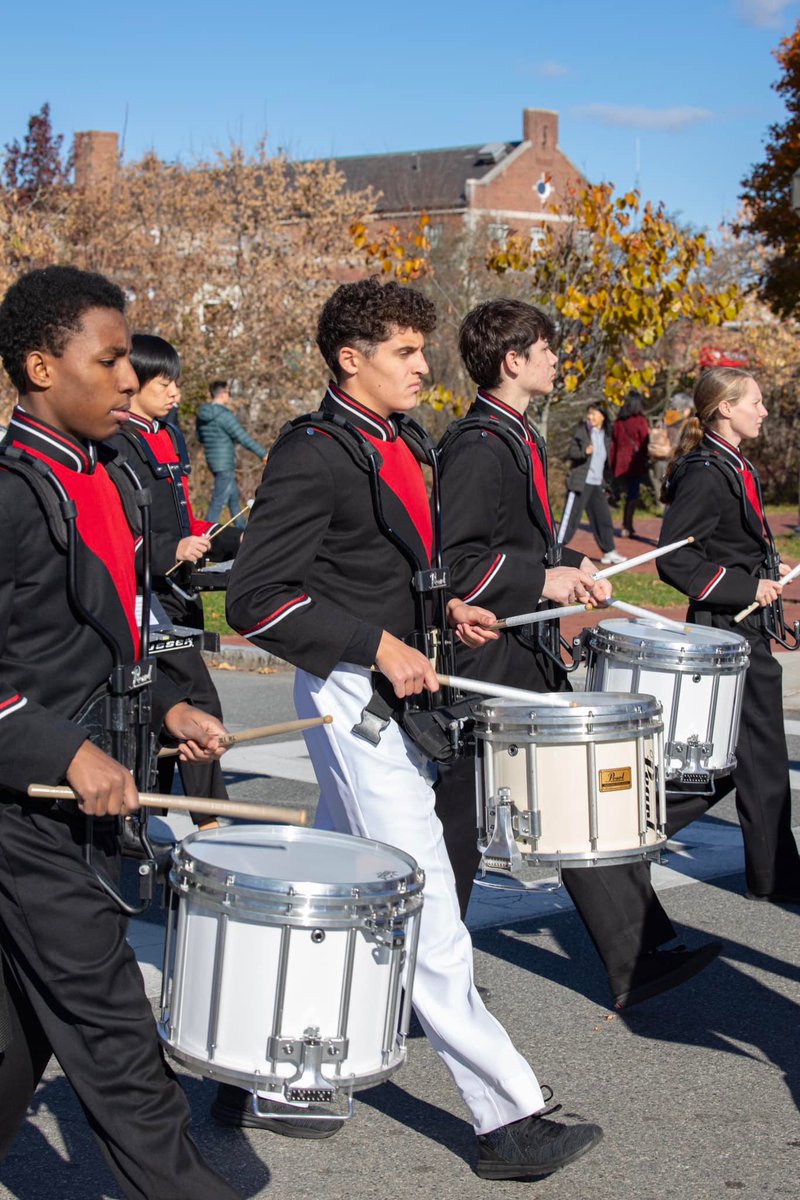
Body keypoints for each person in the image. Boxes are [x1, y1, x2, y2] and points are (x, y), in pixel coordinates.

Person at [227, 276, 604, 1181]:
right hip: (352, 700)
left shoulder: (399, 440)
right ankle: (507, 1116)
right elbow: (254, 599)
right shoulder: (315, 452)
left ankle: (268, 1069)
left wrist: (446, 615)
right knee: (427, 906)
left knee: (331, 893)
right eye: (404, 352)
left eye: (423, 350)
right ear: (349, 359)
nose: (424, 367)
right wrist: (379, 645)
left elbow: (388, 570)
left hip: (394, 694)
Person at [0, 265, 243, 1200]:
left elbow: (100, 646)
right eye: (107, 361)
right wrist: (63, 749)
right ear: (40, 367)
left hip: (88, 806)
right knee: (118, 1040)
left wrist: (163, 711)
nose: (128, 379)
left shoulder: (103, 476)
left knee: (20, 1032)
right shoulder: (11, 494)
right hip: (26, 812)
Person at [435, 298, 720, 1010]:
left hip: (521, 649)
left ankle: (638, 955)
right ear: (513, 360)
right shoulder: (478, 444)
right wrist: (544, 579)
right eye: (547, 349)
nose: (557, 360)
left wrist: (572, 564)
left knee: (575, 795)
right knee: (458, 824)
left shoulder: (516, 434)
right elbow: (458, 561)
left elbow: (521, 541)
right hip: (486, 655)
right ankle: (420, 980)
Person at [658, 366, 800, 904]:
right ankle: (628, 832)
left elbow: (730, 543)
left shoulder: (735, 463)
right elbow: (676, 559)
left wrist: (765, 567)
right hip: (725, 627)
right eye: (755, 402)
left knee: (752, 756)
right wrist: (746, 586)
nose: (763, 411)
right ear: (725, 408)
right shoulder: (707, 471)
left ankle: (775, 876)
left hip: (744, 625)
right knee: (746, 757)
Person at [108, 333, 239, 819]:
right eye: (164, 383)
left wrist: (229, 539)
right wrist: (169, 550)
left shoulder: (170, 435)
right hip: (144, 593)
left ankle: (151, 821)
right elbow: (119, 533)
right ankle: (209, 820)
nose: (175, 393)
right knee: (196, 697)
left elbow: (183, 517)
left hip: (177, 591)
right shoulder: (116, 443)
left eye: (176, 383)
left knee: (163, 707)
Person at [558, 400, 625, 564]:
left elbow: (608, 460)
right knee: (571, 520)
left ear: (602, 416)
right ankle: (554, 550)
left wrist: (608, 482)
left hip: (597, 483)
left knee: (603, 518)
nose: (590, 417)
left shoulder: (606, 435)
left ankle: (609, 551)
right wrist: (584, 452)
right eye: (589, 413)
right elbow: (572, 452)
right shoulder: (583, 431)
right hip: (581, 483)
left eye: (593, 413)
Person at [196, 379, 268, 527]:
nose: (229, 396)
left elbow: (199, 437)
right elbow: (242, 437)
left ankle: (243, 528)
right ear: (223, 394)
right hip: (225, 463)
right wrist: (263, 453)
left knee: (233, 497)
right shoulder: (224, 415)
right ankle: (205, 533)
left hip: (212, 460)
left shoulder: (202, 414)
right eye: (229, 393)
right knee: (218, 502)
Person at [609, 390, 650, 539]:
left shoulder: (618, 422)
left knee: (628, 493)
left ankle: (627, 525)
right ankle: (627, 525)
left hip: (620, 462)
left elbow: (613, 445)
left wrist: (612, 464)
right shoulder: (640, 421)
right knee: (633, 493)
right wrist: (646, 458)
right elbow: (645, 441)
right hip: (634, 462)